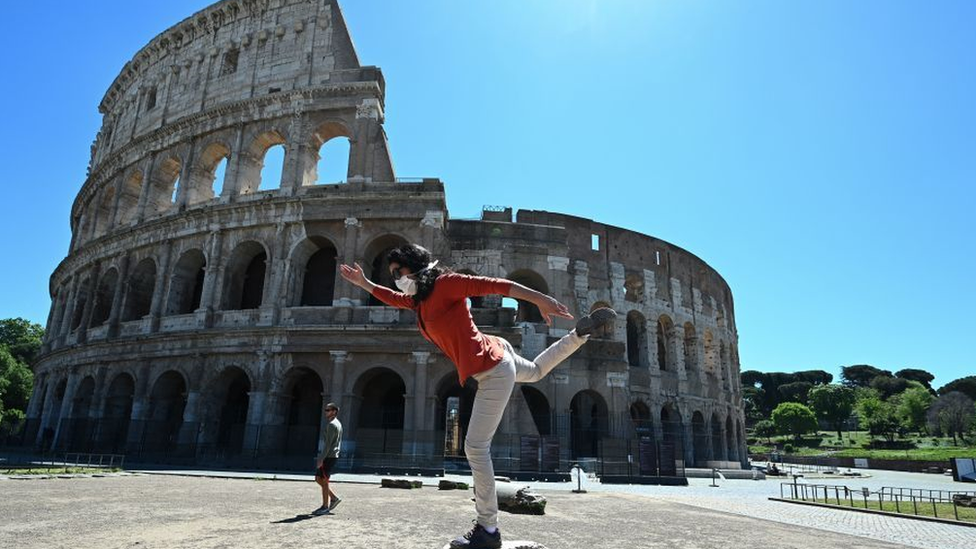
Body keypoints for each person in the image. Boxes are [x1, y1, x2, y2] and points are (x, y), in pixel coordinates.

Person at [340, 244, 616, 549]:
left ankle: (488, 529)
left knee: (474, 447)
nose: (395, 279)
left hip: (493, 369)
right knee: (536, 372)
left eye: (398, 272)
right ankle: (578, 335)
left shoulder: (446, 284)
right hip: (497, 356)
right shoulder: (419, 301)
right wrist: (364, 284)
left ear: (415, 266)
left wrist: (541, 299)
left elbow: (495, 285)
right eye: (392, 274)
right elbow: (392, 298)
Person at [312, 402, 343, 516]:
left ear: (334, 411)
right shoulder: (337, 423)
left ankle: (325, 506)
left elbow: (328, 444)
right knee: (318, 479)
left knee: (324, 481)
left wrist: (321, 458)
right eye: (325, 410)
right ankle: (334, 498)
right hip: (331, 455)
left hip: (329, 456)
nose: (326, 412)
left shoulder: (332, 425)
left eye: (328, 410)